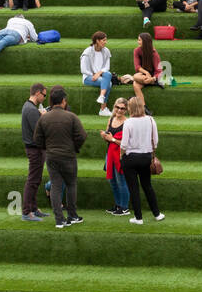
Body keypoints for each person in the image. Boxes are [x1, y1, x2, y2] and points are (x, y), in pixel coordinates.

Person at [33, 85, 87, 229]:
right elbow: (82, 136)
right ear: (63, 101)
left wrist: (48, 147)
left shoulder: (44, 119)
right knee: (71, 185)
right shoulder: (71, 117)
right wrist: (75, 148)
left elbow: (37, 140)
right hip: (68, 156)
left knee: (56, 187)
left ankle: (59, 220)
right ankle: (72, 215)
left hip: (52, 157)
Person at [120, 96, 164, 224]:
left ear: (130, 107)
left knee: (133, 188)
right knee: (147, 186)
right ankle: (157, 213)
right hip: (146, 157)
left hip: (130, 158)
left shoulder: (128, 122)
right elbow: (155, 141)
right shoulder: (150, 120)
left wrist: (121, 155)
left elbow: (123, 144)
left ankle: (138, 217)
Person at [19, 83, 49, 222]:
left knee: (36, 180)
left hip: (36, 148)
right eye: (44, 95)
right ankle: (26, 212)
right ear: (37, 93)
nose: (44, 98)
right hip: (34, 149)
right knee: (33, 180)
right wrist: (43, 117)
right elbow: (39, 130)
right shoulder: (31, 109)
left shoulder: (30, 107)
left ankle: (33, 208)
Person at [99, 97, 131, 215]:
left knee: (121, 181)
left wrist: (112, 139)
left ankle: (125, 207)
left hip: (121, 156)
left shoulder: (127, 122)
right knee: (112, 181)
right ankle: (118, 205)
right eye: (117, 107)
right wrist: (105, 136)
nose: (119, 110)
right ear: (114, 107)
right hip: (110, 154)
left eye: (122, 108)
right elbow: (108, 136)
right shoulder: (111, 119)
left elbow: (127, 144)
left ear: (126, 110)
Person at [80, 31, 115, 115]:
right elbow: (83, 69)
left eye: (106, 40)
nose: (105, 42)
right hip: (88, 77)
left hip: (101, 75)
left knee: (108, 74)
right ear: (97, 41)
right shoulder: (87, 52)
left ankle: (101, 96)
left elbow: (107, 67)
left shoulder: (106, 51)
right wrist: (93, 74)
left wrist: (99, 73)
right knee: (108, 84)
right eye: (103, 40)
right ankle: (103, 109)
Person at [130, 32, 163, 109]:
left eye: (139, 40)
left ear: (145, 41)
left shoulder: (154, 53)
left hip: (153, 77)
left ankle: (151, 82)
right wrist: (146, 72)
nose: (138, 42)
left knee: (135, 82)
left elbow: (159, 71)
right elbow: (137, 67)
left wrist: (153, 78)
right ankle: (144, 107)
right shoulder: (137, 51)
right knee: (135, 77)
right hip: (143, 76)